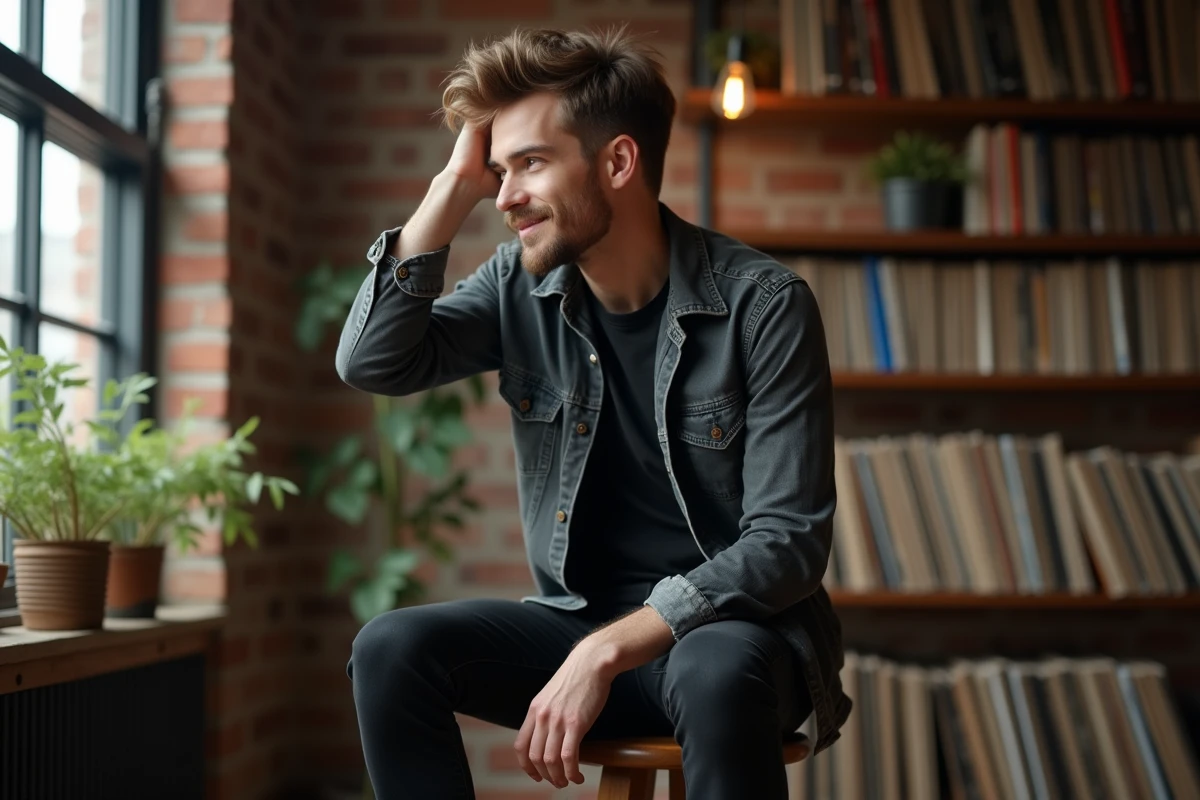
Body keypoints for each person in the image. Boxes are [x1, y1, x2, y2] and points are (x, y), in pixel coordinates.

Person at [337, 26, 850, 800]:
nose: (504, 196)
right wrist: (449, 190)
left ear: (617, 161)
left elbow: (787, 543)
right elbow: (375, 361)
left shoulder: (763, 305)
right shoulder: (519, 284)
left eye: (530, 164)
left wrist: (608, 650)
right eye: (496, 170)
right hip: (573, 626)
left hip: (725, 646)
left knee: (715, 671)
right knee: (390, 647)